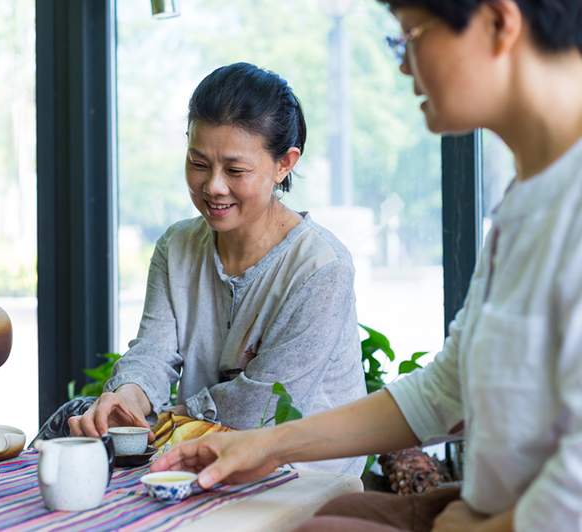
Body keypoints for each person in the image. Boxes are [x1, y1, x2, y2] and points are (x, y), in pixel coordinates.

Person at [152, 0, 582, 530]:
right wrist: (265, 444)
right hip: (484, 503)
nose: (404, 65)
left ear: (498, 23)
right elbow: (448, 389)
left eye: (410, 37)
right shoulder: (531, 196)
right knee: (338, 513)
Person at [66, 62, 367, 475]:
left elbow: (261, 408)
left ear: (285, 164)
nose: (213, 187)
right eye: (199, 163)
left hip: (301, 476)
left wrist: (167, 418)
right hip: (200, 454)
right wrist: (129, 396)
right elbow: (153, 353)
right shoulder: (178, 246)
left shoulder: (321, 268)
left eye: (236, 170)